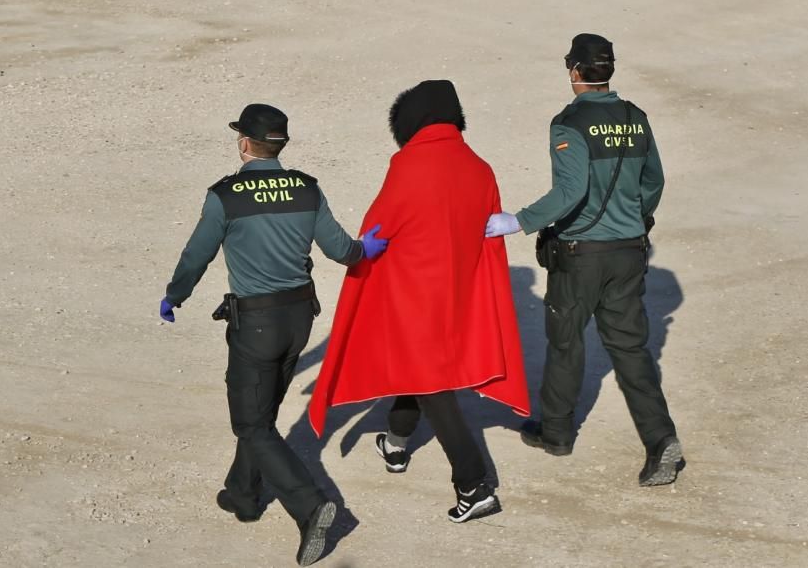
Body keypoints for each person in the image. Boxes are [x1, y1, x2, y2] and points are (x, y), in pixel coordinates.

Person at [159, 103, 389, 566]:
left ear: (244, 143)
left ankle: (310, 507)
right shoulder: (306, 188)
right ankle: (243, 495)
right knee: (260, 412)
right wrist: (367, 248)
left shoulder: (226, 195)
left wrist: (175, 294)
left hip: (256, 324)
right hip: (300, 318)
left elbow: (197, 254)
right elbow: (341, 250)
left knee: (250, 422)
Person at [308, 80, 530, 523]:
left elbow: (380, 225)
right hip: (460, 293)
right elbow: (486, 235)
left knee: (432, 384)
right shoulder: (480, 167)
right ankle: (395, 442)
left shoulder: (408, 164)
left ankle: (474, 483)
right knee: (422, 372)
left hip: (412, 296)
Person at [485, 34, 683, 487]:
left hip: (582, 254)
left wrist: (520, 220)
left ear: (573, 70)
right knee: (631, 350)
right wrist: (636, 220)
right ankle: (660, 439)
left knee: (566, 341)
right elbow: (653, 181)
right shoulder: (636, 118)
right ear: (608, 71)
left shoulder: (568, 124)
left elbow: (570, 192)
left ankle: (556, 432)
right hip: (630, 250)